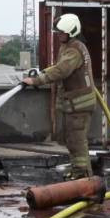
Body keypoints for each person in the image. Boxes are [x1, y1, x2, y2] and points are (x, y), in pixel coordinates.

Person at [22, 13, 95, 180]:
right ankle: (78, 170)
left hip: (79, 105)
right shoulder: (69, 46)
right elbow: (58, 66)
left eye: (61, 32)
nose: (59, 35)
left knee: (77, 142)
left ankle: (83, 176)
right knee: (71, 140)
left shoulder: (74, 50)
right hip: (73, 104)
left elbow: (62, 70)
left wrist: (37, 80)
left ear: (72, 32)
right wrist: (42, 73)